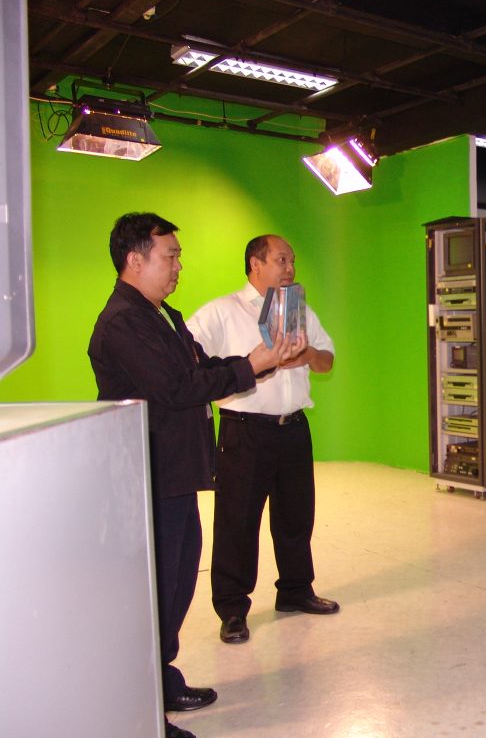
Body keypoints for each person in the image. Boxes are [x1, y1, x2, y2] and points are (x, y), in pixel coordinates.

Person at [88, 213, 297, 738]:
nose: (179, 265)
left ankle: (161, 677)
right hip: (151, 476)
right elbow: (178, 389)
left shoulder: (161, 315)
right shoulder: (123, 323)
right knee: (156, 591)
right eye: (171, 256)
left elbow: (200, 368)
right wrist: (250, 367)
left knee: (178, 581)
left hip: (177, 473)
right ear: (135, 260)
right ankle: (143, 712)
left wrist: (258, 362)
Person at [187, 235, 338, 645]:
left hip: (294, 428)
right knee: (237, 523)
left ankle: (295, 590)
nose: (290, 268)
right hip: (245, 430)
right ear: (255, 264)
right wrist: (242, 365)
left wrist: (308, 355)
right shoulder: (222, 311)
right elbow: (189, 356)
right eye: (281, 260)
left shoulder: (299, 310)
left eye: (292, 261)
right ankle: (232, 609)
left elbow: (327, 361)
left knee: (296, 517)